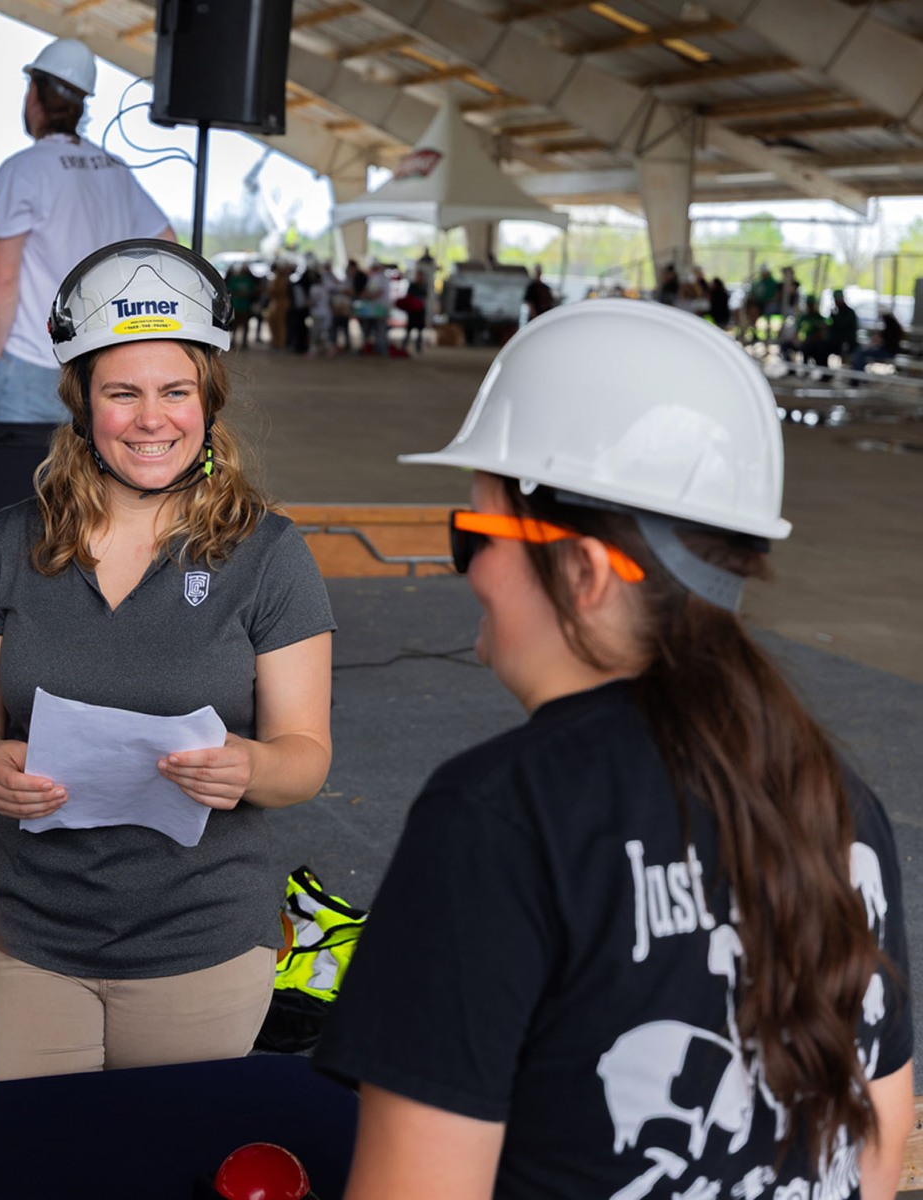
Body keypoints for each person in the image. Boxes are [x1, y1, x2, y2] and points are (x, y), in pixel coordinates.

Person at [313, 299, 912, 1199]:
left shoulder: (498, 821)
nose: (466, 571)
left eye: (475, 536)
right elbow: (875, 1142)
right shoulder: (834, 797)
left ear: (586, 571)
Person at [0, 239, 335, 1080]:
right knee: (39, 1149)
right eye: (122, 393)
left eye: (175, 391)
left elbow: (304, 757)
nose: (152, 419)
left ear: (207, 401)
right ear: (84, 405)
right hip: (25, 935)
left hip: (203, 941)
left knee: (169, 1146)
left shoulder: (270, 555)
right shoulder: (5, 544)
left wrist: (249, 767)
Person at [0, 37, 174, 422]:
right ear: (81, 105)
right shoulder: (115, 170)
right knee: (85, 465)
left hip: (30, 363)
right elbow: (167, 243)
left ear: (35, 96)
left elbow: (4, 276)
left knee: (14, 463)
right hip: (96, 365)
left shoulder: (22, 170)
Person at [829, 288, 860, 364]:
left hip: (847, 342)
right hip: (835, 341)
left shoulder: (849, 313)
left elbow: (844, 327)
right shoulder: (835, 312)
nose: (836, 302)